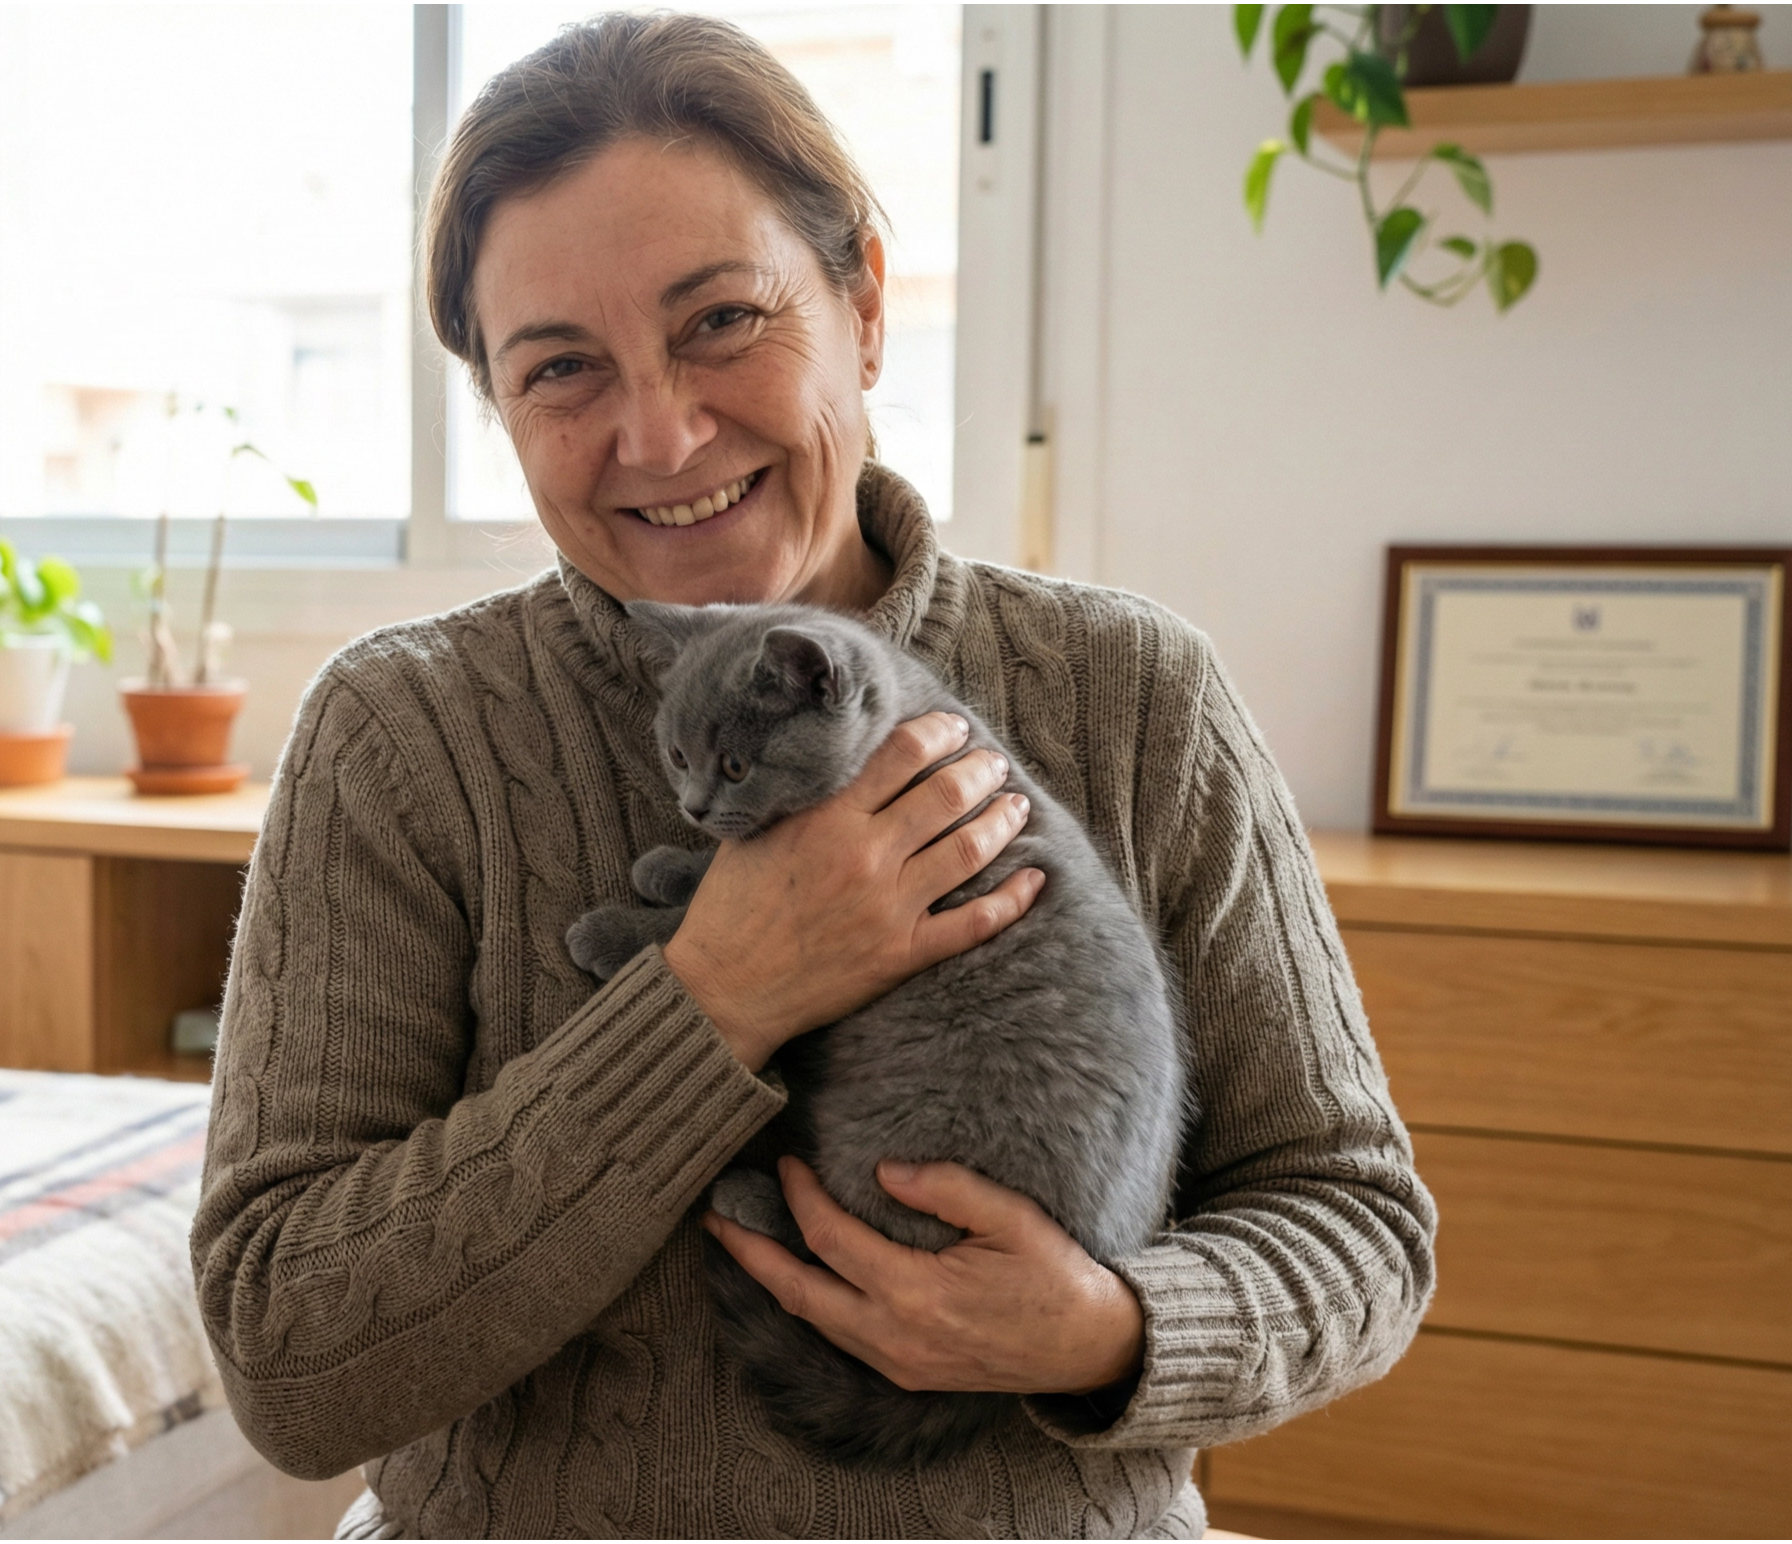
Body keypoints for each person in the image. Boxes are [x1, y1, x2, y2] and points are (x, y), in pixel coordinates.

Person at [191, 13, 1432, 1536]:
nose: (659, 432)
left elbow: (1355, 1225)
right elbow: (288, 1362)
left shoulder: (1129, 695)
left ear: (861, 309)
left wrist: (1108, 1328)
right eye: (561, 369)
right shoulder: (402, 735)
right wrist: (714, 999)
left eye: (721, 321)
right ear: (499, 412)